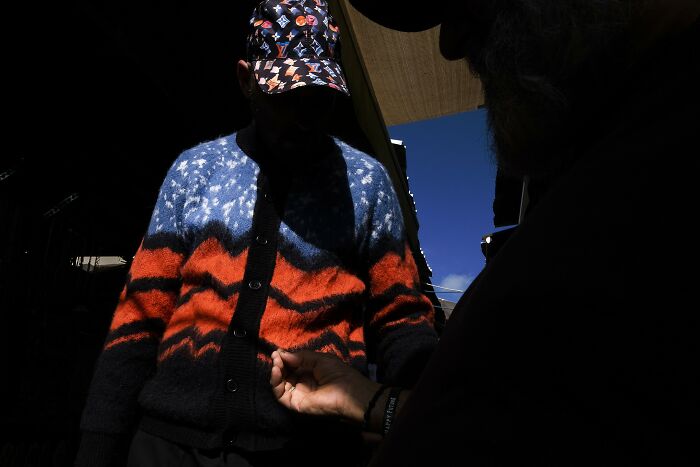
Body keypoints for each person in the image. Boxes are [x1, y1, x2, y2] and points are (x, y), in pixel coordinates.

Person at [270, 0, 700, 465]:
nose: (450, 44)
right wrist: (372, 402)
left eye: (475, 5)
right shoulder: (602, 170)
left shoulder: (660, 187)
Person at [74, 1, 438, 465]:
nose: (305, 117)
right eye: (287, 98)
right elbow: (139, 317)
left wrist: (416, 416)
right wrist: (99, 444)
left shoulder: (364, 184)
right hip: (167, 445)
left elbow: (402, 320)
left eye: (319, 98)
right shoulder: (195, 170)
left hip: (310, 451)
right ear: (247, 80)